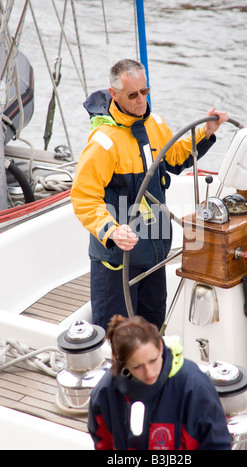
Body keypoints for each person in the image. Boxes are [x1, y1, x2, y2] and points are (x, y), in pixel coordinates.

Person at [71, 58, 228, 331]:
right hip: (118, 260)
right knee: (118, 338)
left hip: (154, 253)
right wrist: (111, 230)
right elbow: (84, 197)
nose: (141, 100)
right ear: (114, 95)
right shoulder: (103, 142)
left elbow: (175, 158)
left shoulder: (154, 123)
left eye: (145, 91)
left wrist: (206, 132)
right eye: (133, 95)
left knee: (152, 328)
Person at [88, 314, 232, 450]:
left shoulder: (194, 385)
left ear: (161, 347)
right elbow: (103, 442)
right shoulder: (105, 393)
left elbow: (217, 443)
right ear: (123, 364)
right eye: (137, 366)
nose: (149, 372)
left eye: (153, 360)